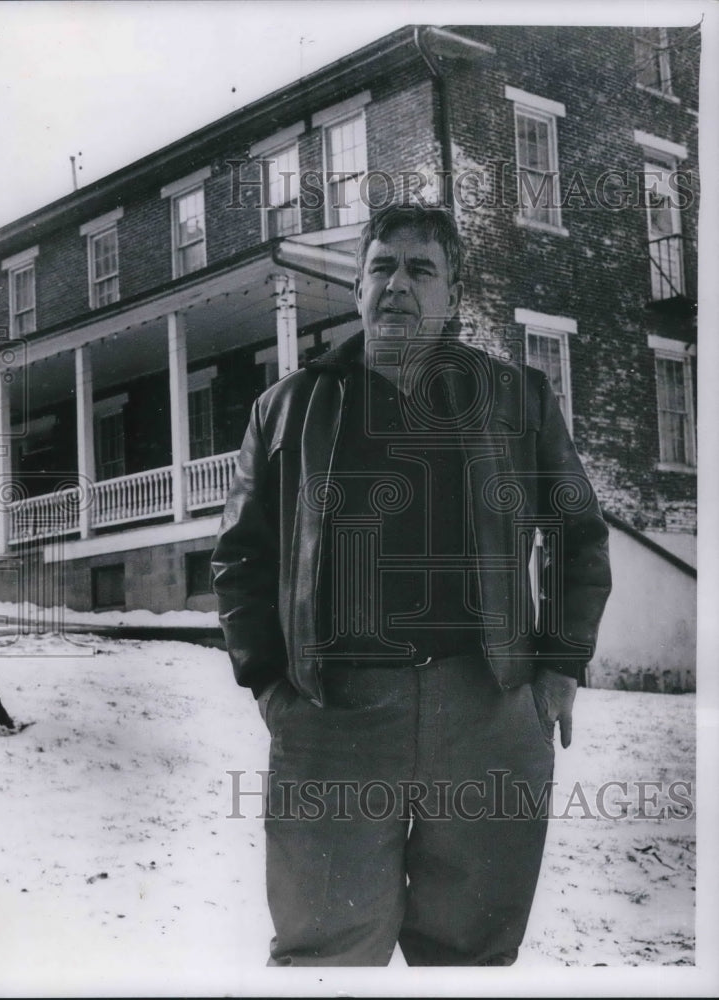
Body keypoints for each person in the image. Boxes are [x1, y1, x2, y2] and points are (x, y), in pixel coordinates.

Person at [212, 203, 611, 966]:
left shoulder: (517, 398)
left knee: (472, 955)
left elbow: (577, 534)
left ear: (453, 296)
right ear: (357, 288)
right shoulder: (287, 408)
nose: (397, 284)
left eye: (420, 269)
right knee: (324, 953)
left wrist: (561, 663)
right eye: (381, 267)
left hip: (486, 709)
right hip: (335, 717)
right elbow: (241, 557)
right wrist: (269, 683)